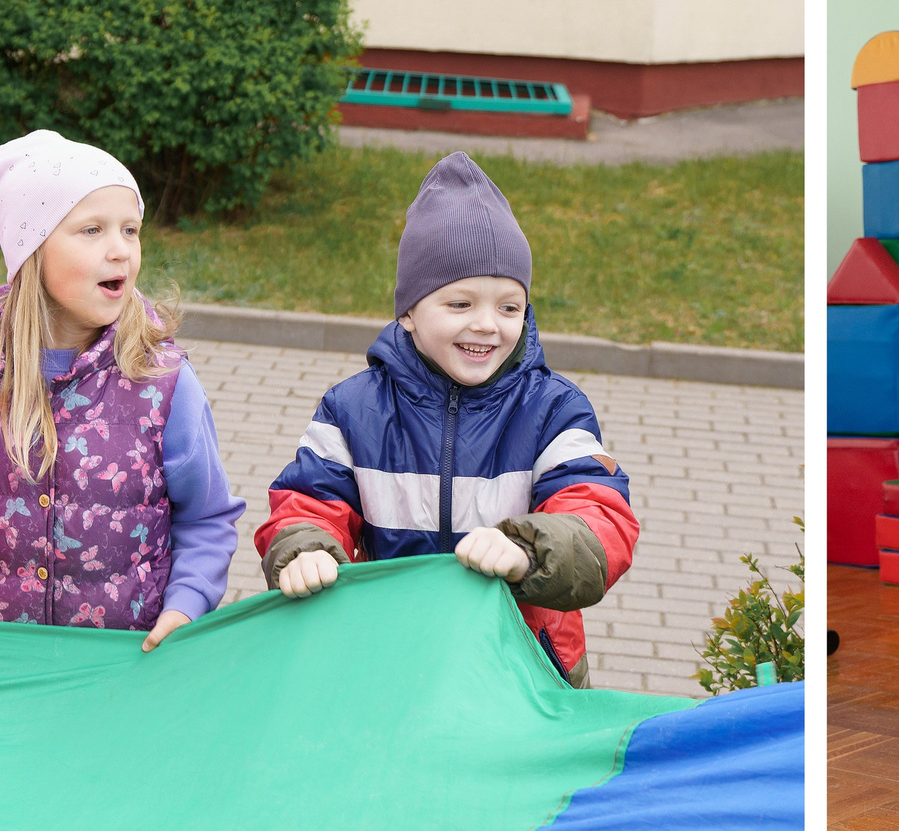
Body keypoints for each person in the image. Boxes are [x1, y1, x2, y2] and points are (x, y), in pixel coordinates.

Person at [257, 152, 640, 689]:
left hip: (519, 672)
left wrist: (527, 549)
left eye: (510, 307)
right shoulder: (353, 410)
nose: (487, 324)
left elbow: (600, 517)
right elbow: (309, 502)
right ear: (409, 312)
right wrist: (304, 549)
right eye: (460, 304)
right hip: (388, 660)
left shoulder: (554, 410)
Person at [0, 132, 244, 649]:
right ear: (31, 250)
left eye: (131, 230)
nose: (120, 249)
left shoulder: (162, 381)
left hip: (123, 662)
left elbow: (207, 517)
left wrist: (188, 603)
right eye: (92, 230)